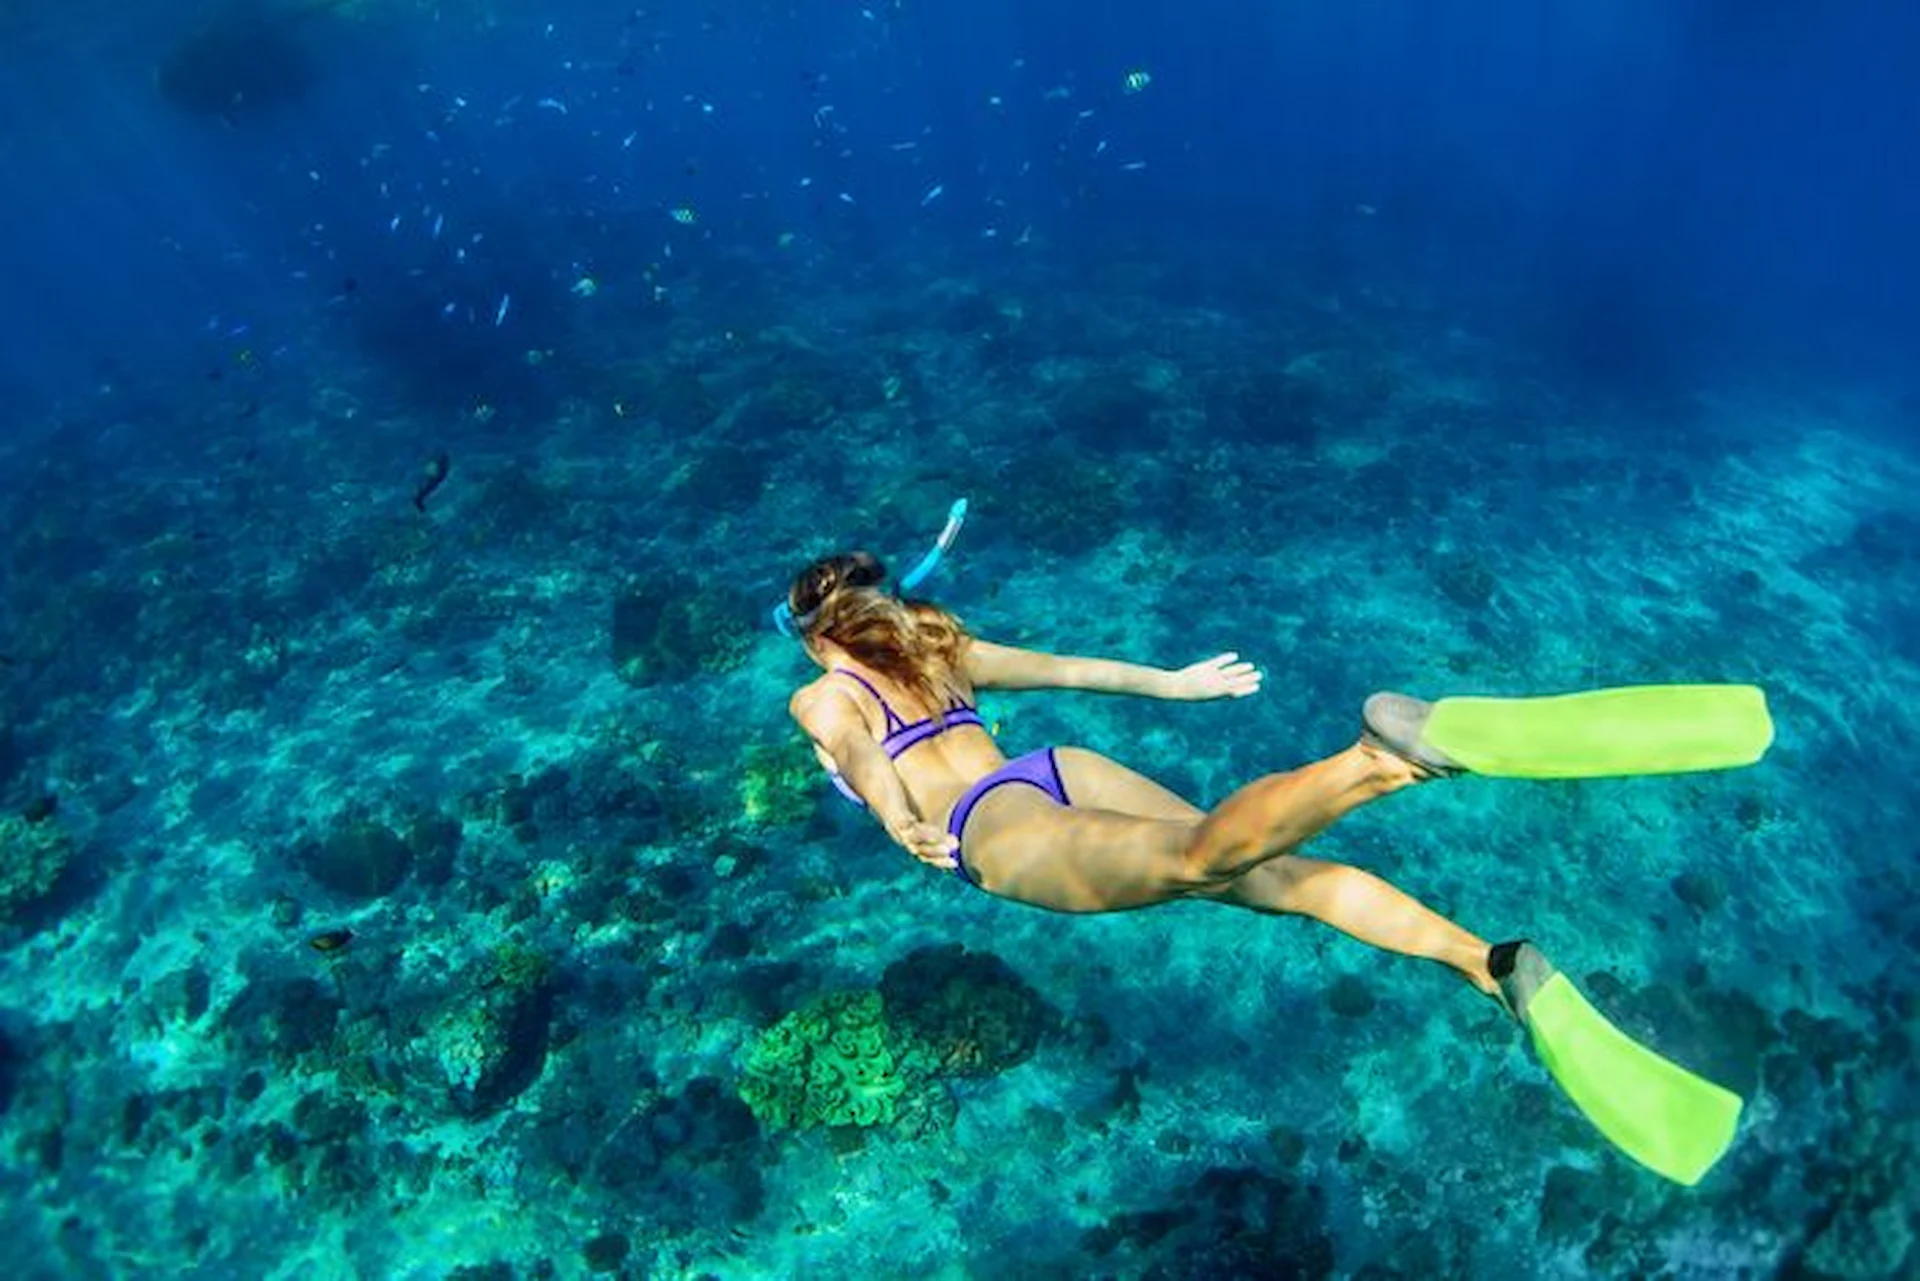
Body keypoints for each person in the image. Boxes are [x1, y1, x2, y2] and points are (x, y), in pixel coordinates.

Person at [783, 550, 1506, 1004]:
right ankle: (1483, 960)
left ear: (817, 639)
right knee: (1271, 875)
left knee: (1202, 858)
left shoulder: (824, 693)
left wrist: (896, 819)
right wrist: (1174, 684)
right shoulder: (943, 651)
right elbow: (1073, 670)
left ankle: (1378, 762)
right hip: (1057, 770)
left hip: (989, 826)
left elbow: (857, 752)